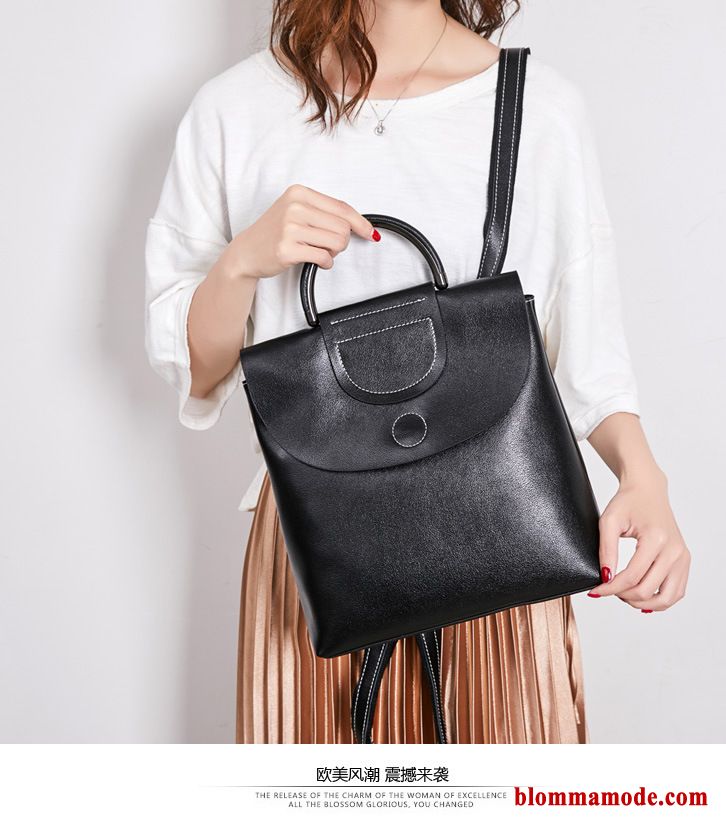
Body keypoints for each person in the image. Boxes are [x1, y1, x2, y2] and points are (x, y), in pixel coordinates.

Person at [144, 0, 691, 744]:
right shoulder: (235, 110)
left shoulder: (538, 107)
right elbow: (196, 369)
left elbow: (588, 350)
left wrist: (644, 477)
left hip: (503, 529)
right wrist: (242, 262)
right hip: (318, 552)